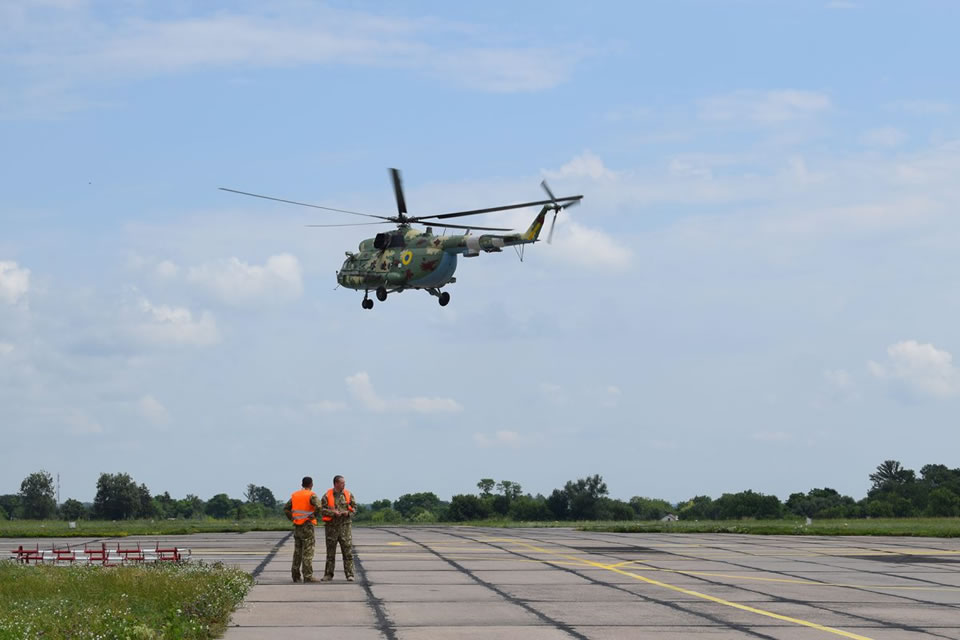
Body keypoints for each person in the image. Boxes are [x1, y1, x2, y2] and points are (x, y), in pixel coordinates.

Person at [283, 476, 322, 583]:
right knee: (308, 552)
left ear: (302, 484)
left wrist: (292, 517)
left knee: (297, 552)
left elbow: (286, 508)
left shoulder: (295, 495)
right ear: (311, 484)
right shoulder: (311, 495)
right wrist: (313, 516)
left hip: (297, 526)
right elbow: (319, 506)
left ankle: (295, 575)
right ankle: (308, 576)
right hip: (307, 526)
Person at [320, 474, 357, 581]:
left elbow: (354, 508)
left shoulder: (348, 495)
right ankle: (328, 574)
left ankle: (350, 574)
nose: (344, 485)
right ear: (336, 483)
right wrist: (332, 513)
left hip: (345, 528)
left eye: (344, 483)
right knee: (330, 553)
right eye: (342, 483)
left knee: (348, 552)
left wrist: (348, 513)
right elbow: (321, 510)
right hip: (331, 529)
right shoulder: (326, 496)